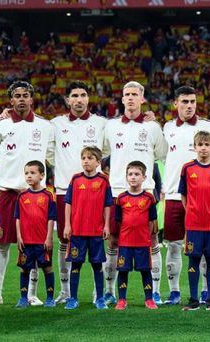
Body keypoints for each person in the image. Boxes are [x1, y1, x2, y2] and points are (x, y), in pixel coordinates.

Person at [0, 80, 54, 305]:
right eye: (17, 95)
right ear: (11, 100)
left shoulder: (45, 126)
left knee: (34, 244)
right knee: (2, 242)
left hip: (35, 196)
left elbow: (51, 154)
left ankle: (32, 294)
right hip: (8, 193)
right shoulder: (0, 126)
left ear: (32, 99)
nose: (22, 99)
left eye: (26, 95)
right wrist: (9, 171)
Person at [102, 81, 166, 304]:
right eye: (126, 94)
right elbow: (102, 151)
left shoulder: (152, 127)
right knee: (113, 241)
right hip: (117, 191)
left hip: (146, 191)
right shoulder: (111, 126)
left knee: (152, 238)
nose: (130, 98)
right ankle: (110, 291)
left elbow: (161, 152)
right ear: (122, 99)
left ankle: (155, 290)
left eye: (134, 94)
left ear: (142, 99)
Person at [50, 81, 107, 303]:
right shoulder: (55, 124)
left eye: (83, 95)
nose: (79, 99)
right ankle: (65, 292)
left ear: (88, 98)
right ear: (67, 100)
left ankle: (98, 293)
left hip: (95, 191)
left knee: (97, 244)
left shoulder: (102, 124)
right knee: (64, 242)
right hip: (65, 189)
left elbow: (109, 148)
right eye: (74, 95)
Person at [162, 86, 210, 305]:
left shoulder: (208, 127)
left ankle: (204, 291)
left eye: (192, 101)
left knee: (203, 250)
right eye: (184, 101)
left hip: (202, 200)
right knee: (173, 245)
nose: (189, 105)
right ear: (176, 103)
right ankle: (174, 291)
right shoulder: (166, 128)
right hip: (175, 196)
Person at [179, 131, 210, 311]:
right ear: (195, 147)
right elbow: (183, 195)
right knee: (193, 260)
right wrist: (191, 210)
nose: (204, 148)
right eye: (200, 145)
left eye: (207, 145)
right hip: (193, 223)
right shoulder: (187, 168)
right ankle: (193, 300)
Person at [63, 146, 112, 310]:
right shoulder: (75, 179)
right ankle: (73, 298)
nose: (86, 161)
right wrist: (67, 225)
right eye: (83, 157)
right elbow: (68, 203)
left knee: (97, 265)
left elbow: (107, 205)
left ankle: (99, 298)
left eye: (90, 158)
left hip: (96, 231)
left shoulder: (104, 180)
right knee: (75, 264)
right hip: (77, 231)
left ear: (98, 162)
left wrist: (106, 225)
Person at [114, 161, 159, 310]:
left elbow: (152, 221)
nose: (133, 177)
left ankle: (149, 299)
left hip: (142, 242)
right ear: (126, 177)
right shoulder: (121, 198)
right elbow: (119, 221)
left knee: (145, 271)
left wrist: (149, 237)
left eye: (137, 174)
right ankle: (121, 299)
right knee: (123, 271)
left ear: (144, 177)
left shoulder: (149, 198)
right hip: (125, 243)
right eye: (130, 174)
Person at [13, 160, 57, 308]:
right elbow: (17, 218)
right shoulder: (22, 196)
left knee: (47, 268)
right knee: (24, 268)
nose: (29, 176)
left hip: (42, 241)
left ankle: (50, 298)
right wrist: (18, 236)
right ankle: (23, 298)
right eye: (26, 173)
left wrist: (49, 237)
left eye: (33, 173)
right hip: (26, 240)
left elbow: (51, 218)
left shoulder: (48, 196)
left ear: (42, 175)